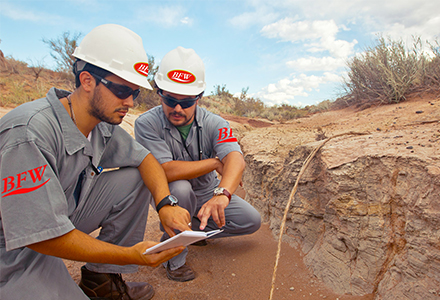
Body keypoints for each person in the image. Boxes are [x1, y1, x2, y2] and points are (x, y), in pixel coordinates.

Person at [0, 24, 191, 300]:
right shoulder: (30, 132)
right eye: (122, 90)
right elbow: (42, 235)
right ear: (87, 81)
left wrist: (165, 204)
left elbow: (146, 159)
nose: (130, 102)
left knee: (136, 178)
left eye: (135, 93)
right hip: (15, 247)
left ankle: (101, 282)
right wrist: (129, 255)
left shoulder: (100, 124)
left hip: (52, 222)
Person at [134, 46, 261, 282]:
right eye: (170, 99)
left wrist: (222, 193)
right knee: (181, 187)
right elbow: (166, 170)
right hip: (170, 194)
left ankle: (193, 233)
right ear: (159, 92)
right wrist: (214, 162)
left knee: (250, 221)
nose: (178, 108)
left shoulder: (215, 122)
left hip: (205, 191)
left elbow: (235, 159)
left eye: (187, 101)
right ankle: (174, 259)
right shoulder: (145, 124)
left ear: (199, 97)